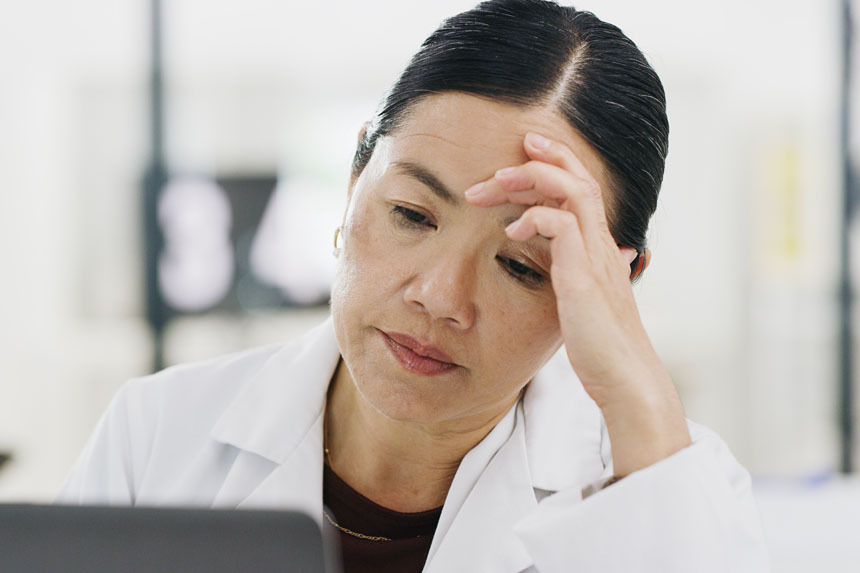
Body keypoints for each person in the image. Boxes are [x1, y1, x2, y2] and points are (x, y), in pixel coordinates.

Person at [57, 0, 770, 571]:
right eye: (411, 214)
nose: (439, 295)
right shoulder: (155, 436)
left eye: (523, 264)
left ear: (613, 283)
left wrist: (638, 397)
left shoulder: (666, 487)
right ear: (353, 180)